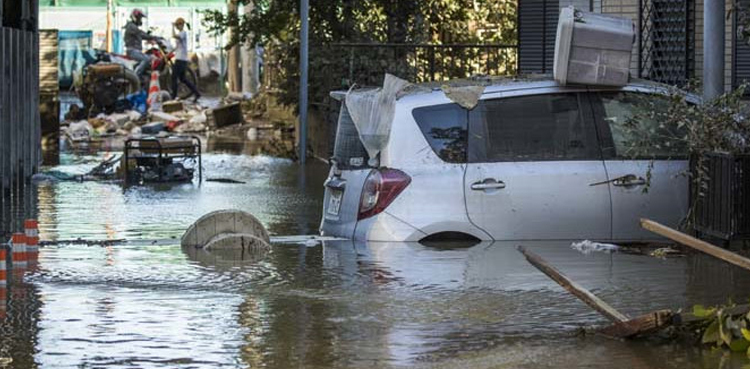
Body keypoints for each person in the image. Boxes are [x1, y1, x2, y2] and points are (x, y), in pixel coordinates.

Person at [171, 17, 200, 102]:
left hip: (180, 59)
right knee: (183, 79)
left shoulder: (183, 33)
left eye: (178, 25)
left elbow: (174, 36)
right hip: (181, 58)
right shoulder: (181, 34)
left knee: (174, 77)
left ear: (182, 25)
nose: (177, 27)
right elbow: (178, 46)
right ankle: (197, 93)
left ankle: (174, 96)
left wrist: (171, 27)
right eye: (177, 25)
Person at [124, 9, 156, 79]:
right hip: (133, 51)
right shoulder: (131, 26)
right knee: (146, 59)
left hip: (135, 51)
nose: (140, 20)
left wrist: (150, 39)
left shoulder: (133, 27)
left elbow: (141, 36)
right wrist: (156, 38)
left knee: (151, 56)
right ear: (135, 17)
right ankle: (135, 77)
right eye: (139, 18)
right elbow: (141, 34)